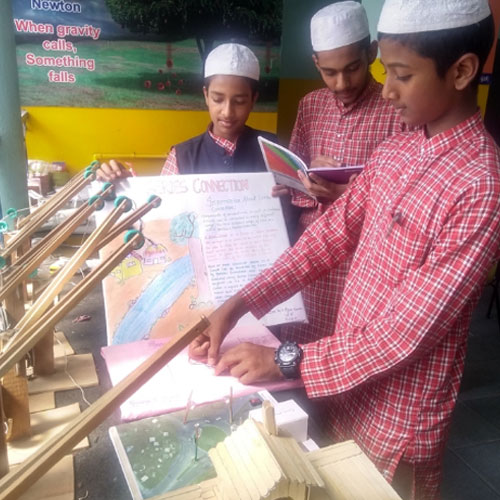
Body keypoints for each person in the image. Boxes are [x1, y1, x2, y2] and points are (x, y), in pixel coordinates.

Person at [190, 1, 500, 498]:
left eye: (401, 75)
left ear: (462, 71)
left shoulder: (481, 185)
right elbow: (325, 240)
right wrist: (238, 304)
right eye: (387, 72)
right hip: (345, 388)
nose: (388, 90)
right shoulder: (396, 151)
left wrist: (285, 360)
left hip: (398, 415)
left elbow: (405, 332)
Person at [278, 1, 406, 344]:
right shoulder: (310, 106)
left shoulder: (396, 110)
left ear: (371, 53)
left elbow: (404, 199)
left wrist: (346, 195)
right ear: (316, 63)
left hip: (363, 258)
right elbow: (291, 177)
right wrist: (304, 181)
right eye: (329, 72)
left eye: (352, 68)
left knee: (349, 344)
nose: (341, 82)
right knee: (298, 345)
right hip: (310, 249)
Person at [97, 43, 277, 180]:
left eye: (239, 102)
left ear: (253, 100)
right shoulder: (182, 156)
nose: (227, 112)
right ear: (206, 96)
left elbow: (292, 204)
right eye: (217, 99)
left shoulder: (275, 150)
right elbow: (162, 207)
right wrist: (126, 186)